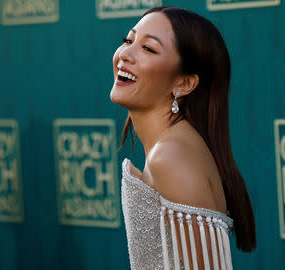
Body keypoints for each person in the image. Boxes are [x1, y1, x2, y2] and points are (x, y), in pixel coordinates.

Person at [110, 6, 256, 270]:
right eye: (128, 41)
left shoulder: (170, 157)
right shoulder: (173, 147)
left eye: (149, 49)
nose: (125, 55)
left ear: (185, 84)